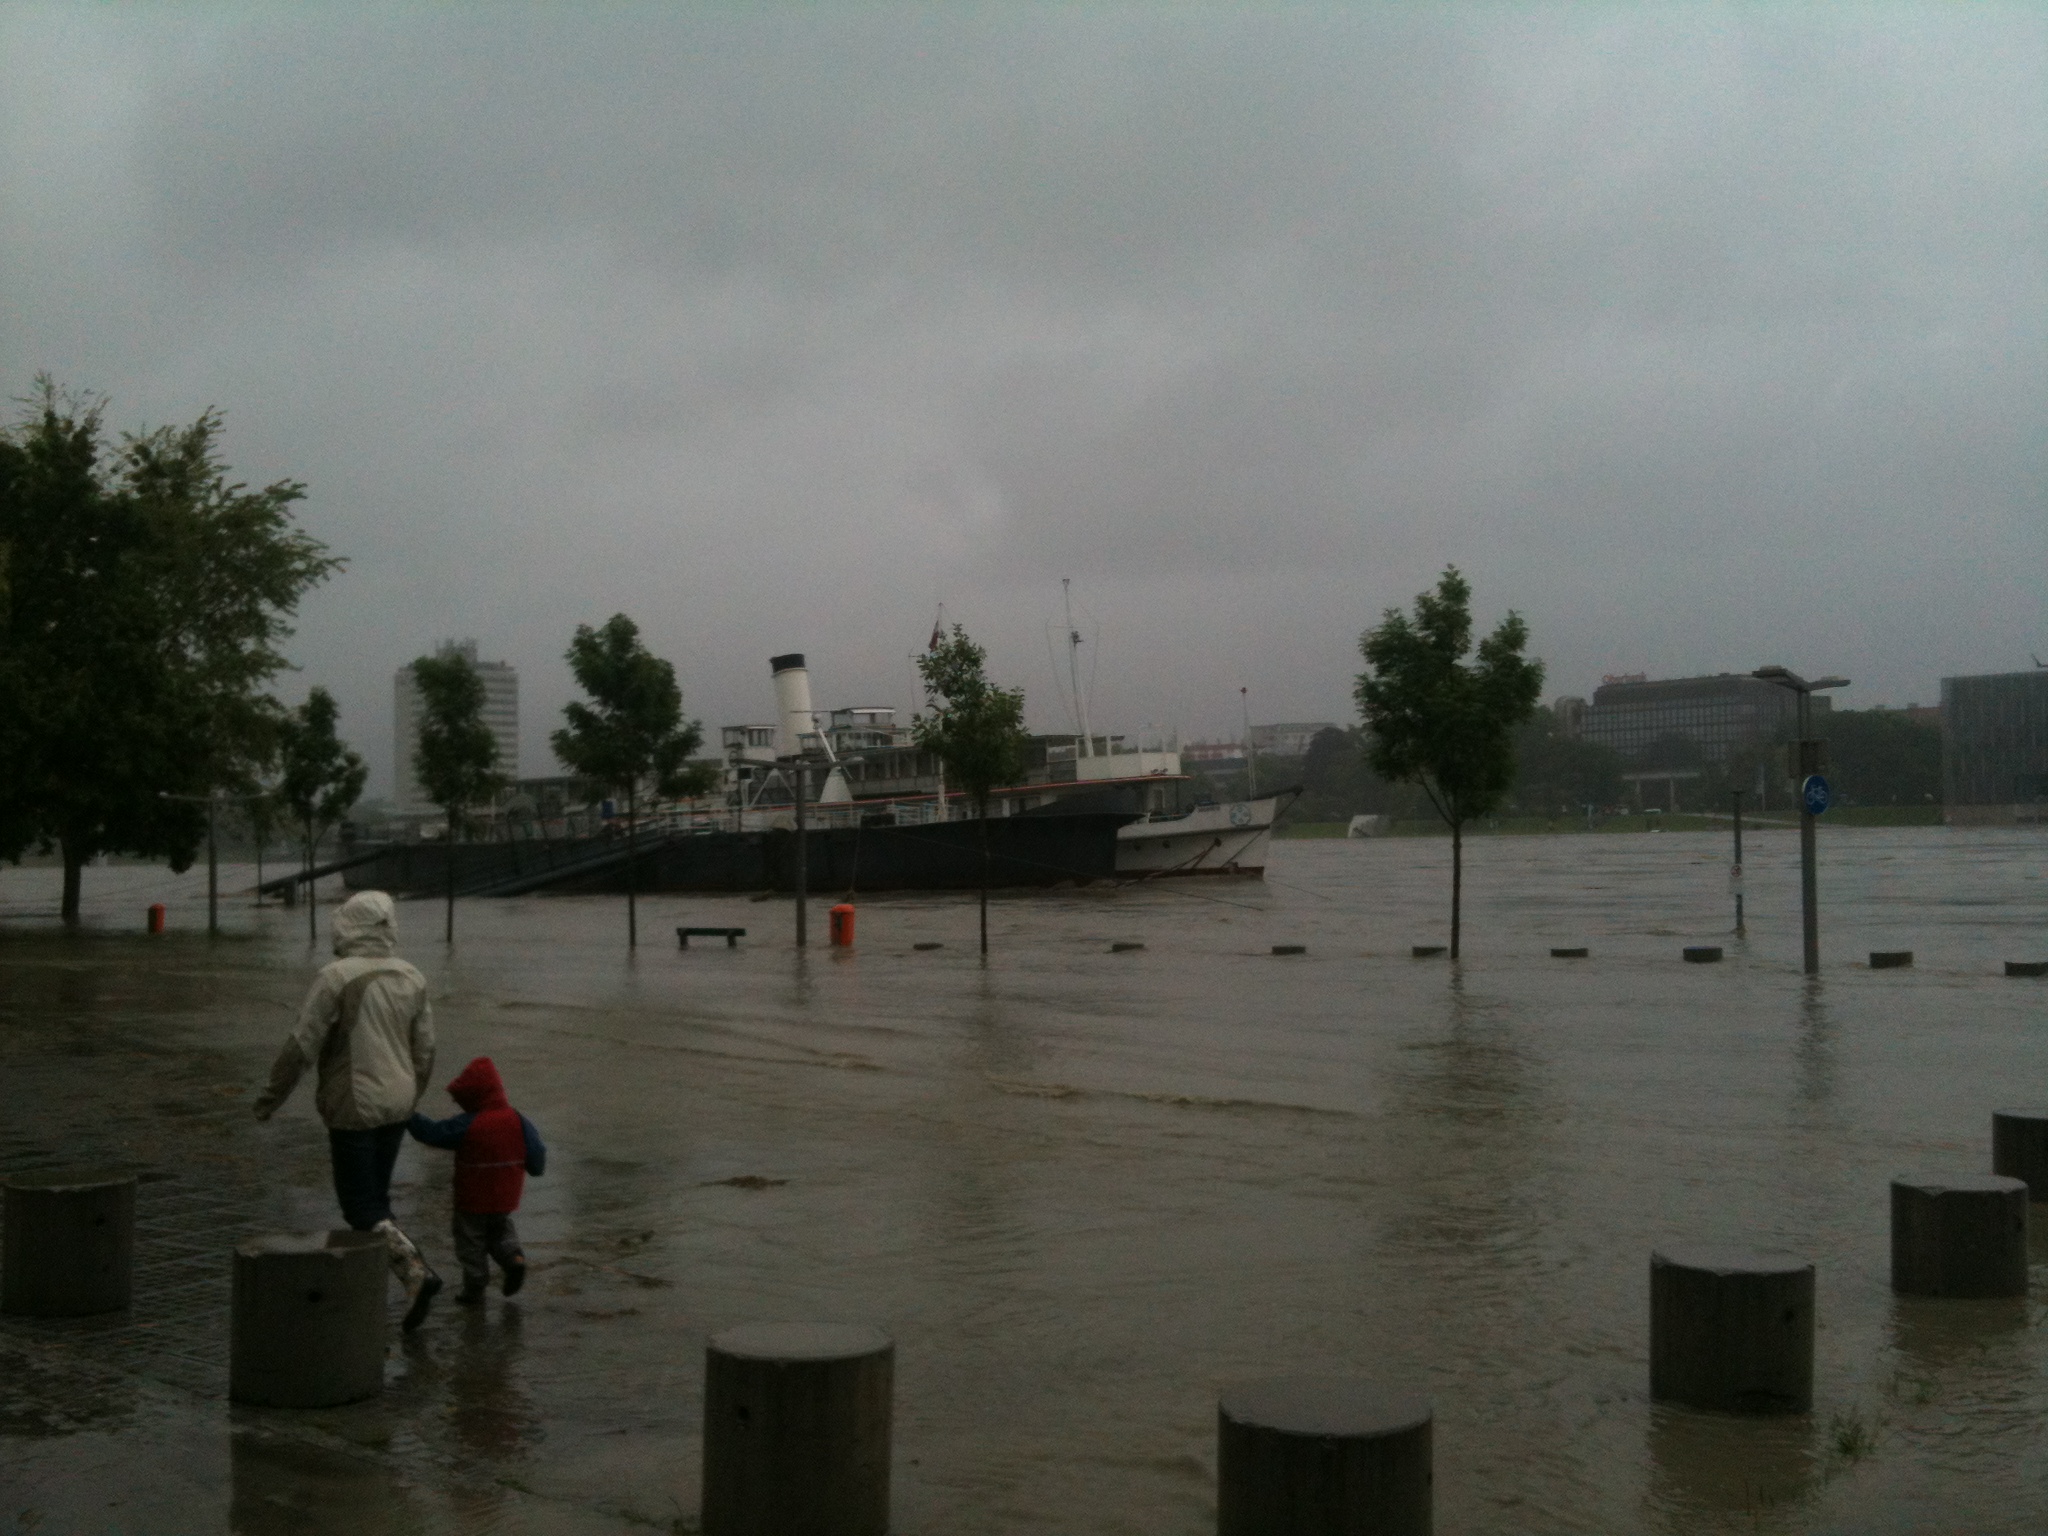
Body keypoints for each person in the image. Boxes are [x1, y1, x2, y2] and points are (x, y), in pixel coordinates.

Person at [254, 889, 443, 1330]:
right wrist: (411, 1094)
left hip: (355, 1105)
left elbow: (301, 1046)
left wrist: (270, 1099)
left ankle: (417, 1274)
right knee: (376, 1202)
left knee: (360, 1206)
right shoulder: (412, 976)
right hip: (398, 1102)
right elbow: (426, 1049)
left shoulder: (336, 977)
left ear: (346, 925)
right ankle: (377, 1292)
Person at [407, 1057, 547, 1304]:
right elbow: (536, 1154)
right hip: (505, 1196)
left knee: (470, 1242)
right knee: (500, 1230)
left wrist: (407, 1114)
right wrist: (535, 1169)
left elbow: (433, 1133)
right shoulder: (518, 1119)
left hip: (472, 1198)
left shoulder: (469, 1124)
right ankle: (514, 1259)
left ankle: (474, 1288)